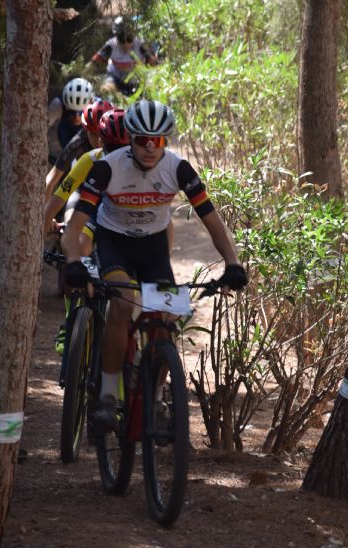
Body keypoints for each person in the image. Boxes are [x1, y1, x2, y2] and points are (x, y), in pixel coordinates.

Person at [61, 99, 248, 434]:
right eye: (142, 140)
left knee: (164, 318)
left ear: (167, 140)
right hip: (114, 241)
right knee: (121, 303)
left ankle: (158, 397)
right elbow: (74, 229)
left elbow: (214, 223)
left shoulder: (178, 169)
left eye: (158, 141)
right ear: (130, 139)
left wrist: (233, 263)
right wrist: (74, 263)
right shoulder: (108, 168)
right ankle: (106, 396)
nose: (150, 147)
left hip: (153, 247)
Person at [45, 108, 130, 356]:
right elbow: (58, 191)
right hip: (89, 205)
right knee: (78, 243)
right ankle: (72, 320)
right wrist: (45, 224)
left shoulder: (137, 161)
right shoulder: (86, 155)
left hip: (119, 217)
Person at [46, 96, 113, 203]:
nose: (99, 140)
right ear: (86, 131)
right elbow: (51, 179)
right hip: (83, 190)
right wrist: (44, 215)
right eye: (94, 134)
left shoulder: (121, 140)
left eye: (103, 134)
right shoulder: (78, 142)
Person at [88, 16, 157, 96]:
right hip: (116, 78)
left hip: (137, 80)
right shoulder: (111, 45)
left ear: (134, 35)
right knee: (105, 90)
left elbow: (154, 64)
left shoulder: (141, 44)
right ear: (116, 37)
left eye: (129, 38)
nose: (126, 44)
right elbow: (93, 63)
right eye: (121, 39)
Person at [48, 77, 94, 156]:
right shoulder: (58, 105)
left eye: (80, 112)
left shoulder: (95, 108)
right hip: (58, 154)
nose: (76, 117)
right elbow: (42, 127)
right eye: (72, 112)